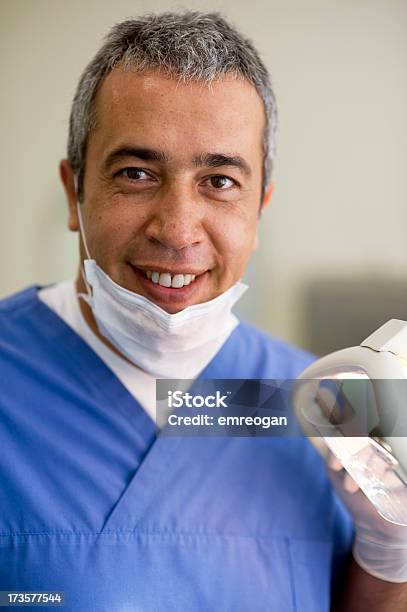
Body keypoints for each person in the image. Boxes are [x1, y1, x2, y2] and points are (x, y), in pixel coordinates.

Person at [0, 11, 405, 611]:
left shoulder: (319, 402)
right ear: (73, 192)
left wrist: (389, 553)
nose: (178, 230)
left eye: (219, 181)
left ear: (259, 207)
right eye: (136, 174)